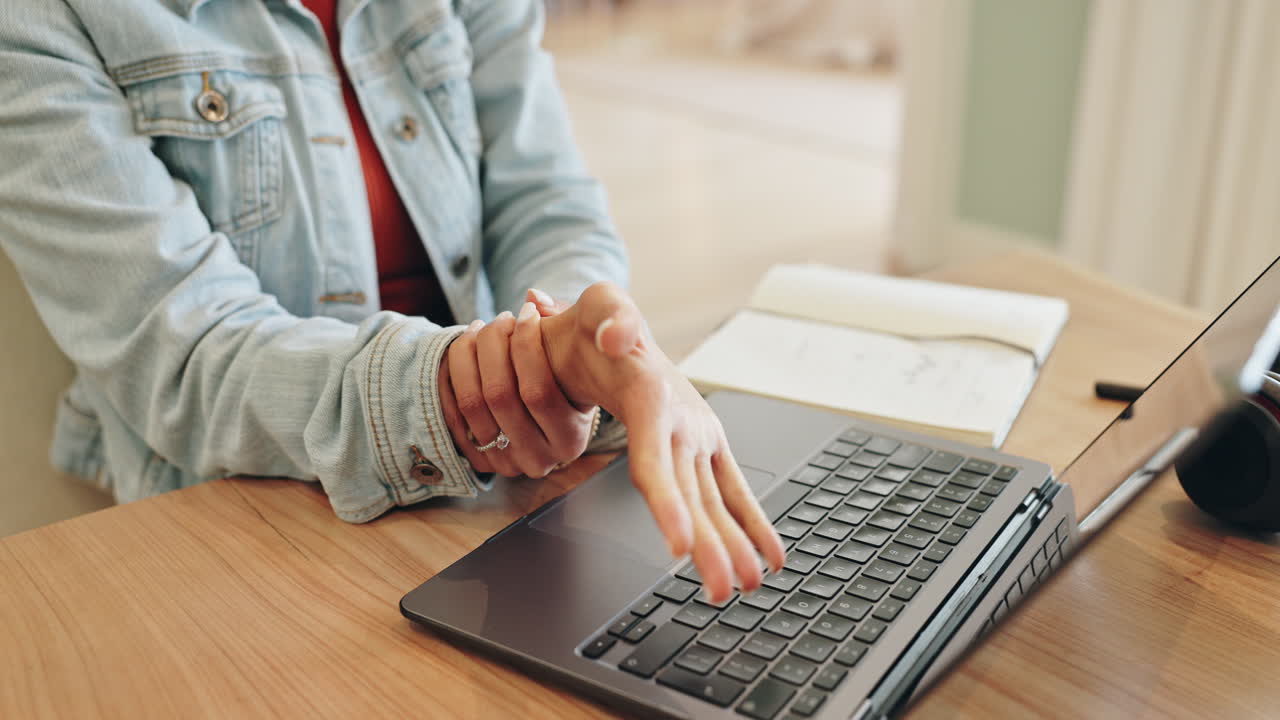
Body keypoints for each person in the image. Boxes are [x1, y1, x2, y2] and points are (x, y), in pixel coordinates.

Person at [0, 0, 782, 602]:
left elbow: (544, 201)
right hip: (236, 518)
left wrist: (583, 340)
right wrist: (469, 387)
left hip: (498, 481)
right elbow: (185, 347)